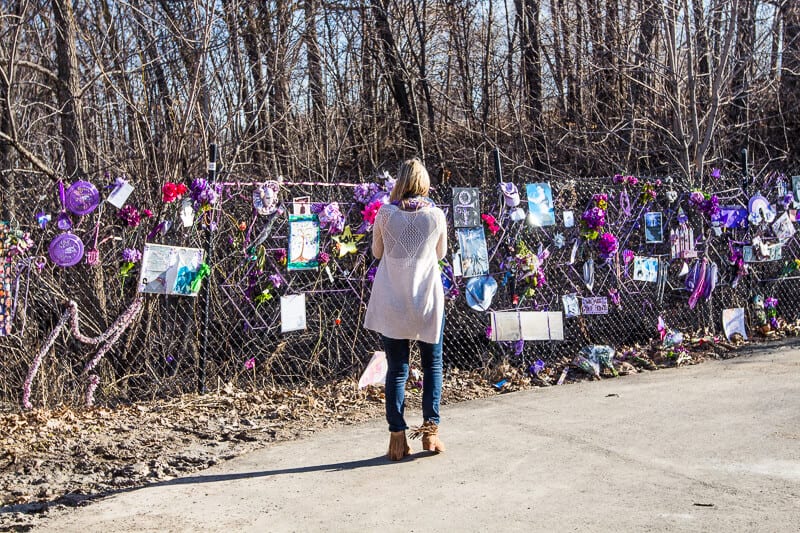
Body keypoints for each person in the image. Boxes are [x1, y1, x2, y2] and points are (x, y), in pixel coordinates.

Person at [364, 158, 448, 460]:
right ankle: (431, 434)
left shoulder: (385, 214)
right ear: (424, 183)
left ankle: (397, 438)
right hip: (426, 299)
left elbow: (377, 252)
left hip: (393, 301)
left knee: (397, 370)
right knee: (432, 367)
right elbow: (441, 254)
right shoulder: (436, 216)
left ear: (399, 182)